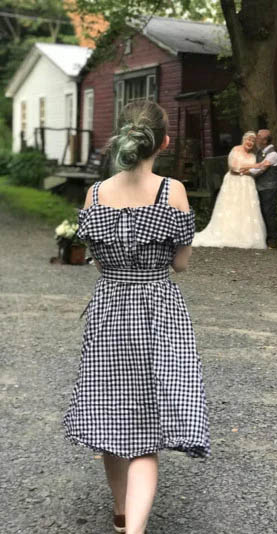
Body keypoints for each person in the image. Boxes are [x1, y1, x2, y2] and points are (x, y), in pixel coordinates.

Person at [63, 100, 210, 534]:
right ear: (163, 142)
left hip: (110, 311)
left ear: (121, 137)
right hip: (158, 313)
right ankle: (135, 531)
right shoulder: (173, 192)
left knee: (112, 415)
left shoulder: (95, 194)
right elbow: (180, 265)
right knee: (147, 424)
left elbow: (94, 258)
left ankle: (121, 513)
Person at [191, 131, 268, 248]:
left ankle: (244, 236)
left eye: (253, 141)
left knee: (246, 208)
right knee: (231, 206)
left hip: (247, 184)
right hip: (233, 182)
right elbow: (233, 167)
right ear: (244, 139)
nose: (250, 143)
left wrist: (249, 169)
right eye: (248, 140)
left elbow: (253, 171)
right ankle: (227, 233)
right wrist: (252, 166)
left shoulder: (253, 156)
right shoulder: (236, 150)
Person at [249, 129, 277, 249]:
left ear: (265, 140)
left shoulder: (273, 154)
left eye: (259, 137)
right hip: (260, 187)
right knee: (261, 213)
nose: (256, 138)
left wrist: (244, 172)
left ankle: (272, 241)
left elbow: (261, 169)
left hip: (269, 187)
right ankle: (263, 238)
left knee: (268, 213)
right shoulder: (260, 151)